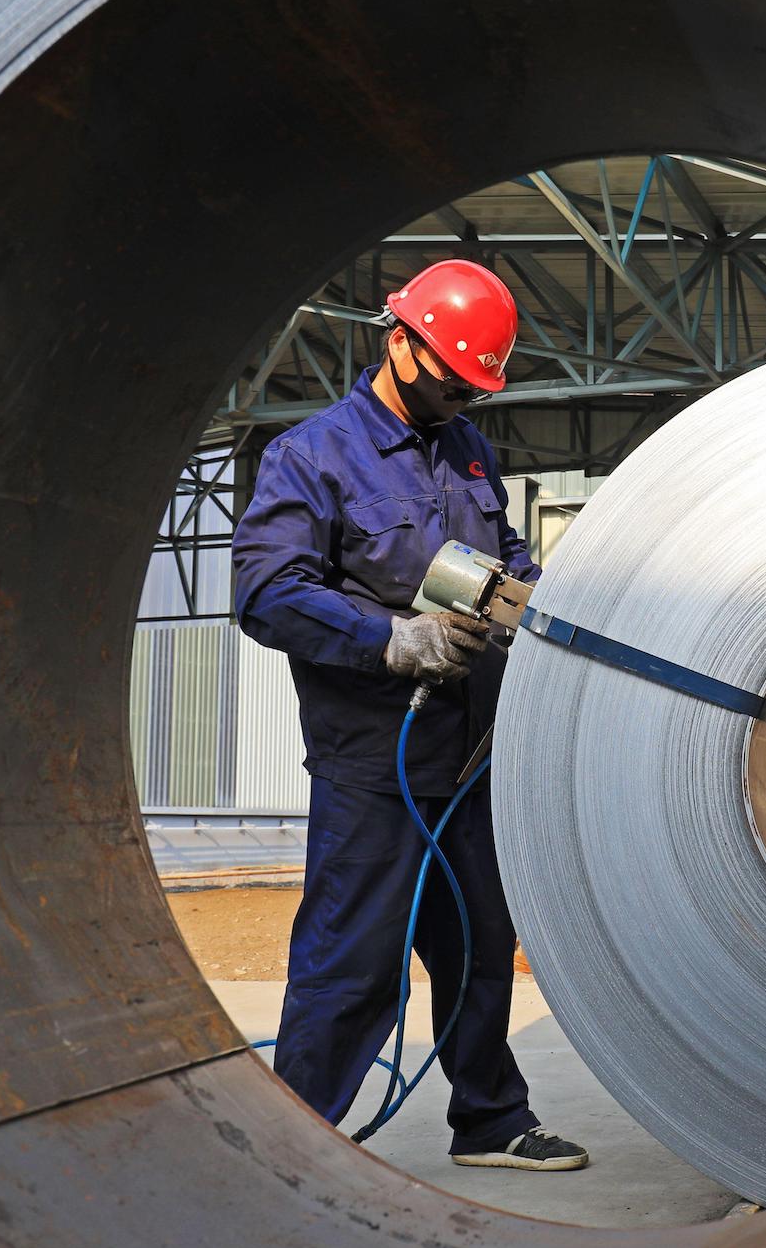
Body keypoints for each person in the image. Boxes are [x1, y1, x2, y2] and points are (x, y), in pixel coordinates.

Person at [230, 258, 587, 1172]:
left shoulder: (467, 447)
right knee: (354, 960)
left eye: (475, 387)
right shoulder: (311, 456)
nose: (460, 398)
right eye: (451, 379)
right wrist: (394, 641)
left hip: (466, 757)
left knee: (477, 947)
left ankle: (491, 1120)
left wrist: (534, 593)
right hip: (372, 763)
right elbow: (269, 590)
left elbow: (499, 551)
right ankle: (299, 1140)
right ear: (401, 342)